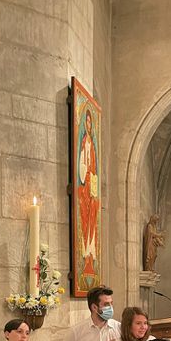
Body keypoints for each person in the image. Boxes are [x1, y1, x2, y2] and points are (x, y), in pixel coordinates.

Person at [77, 107, 99, 276]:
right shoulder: (85, 140)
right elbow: (82, 165)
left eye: (91, 121)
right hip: (86, 185)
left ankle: (91, 253)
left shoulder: (92, 142)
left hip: (92, 187)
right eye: (88, 121)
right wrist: (87, 177)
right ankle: (86, 254)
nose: (89, 124)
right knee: (85, 218)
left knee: (93, 216)